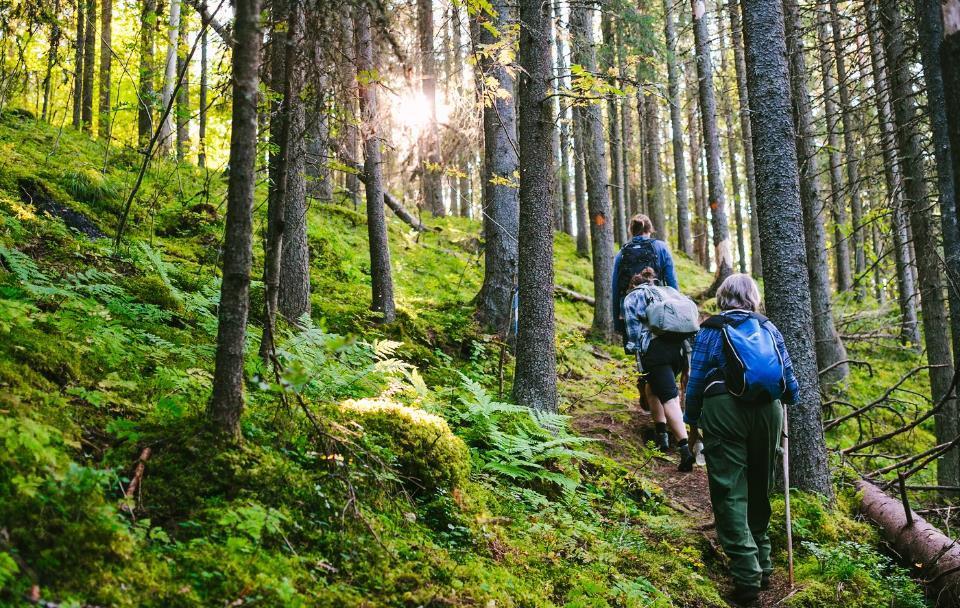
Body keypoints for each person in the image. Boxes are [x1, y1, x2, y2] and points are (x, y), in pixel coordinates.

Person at [683, 274, 800, 607]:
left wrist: (691, 420)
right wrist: (788, 397)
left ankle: (747, 576)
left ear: (724, 297)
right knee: (760, 485)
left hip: (723, 410)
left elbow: (696, 379)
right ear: (752, 298)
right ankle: (763, 564)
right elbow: (789, 379)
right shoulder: (768, 328)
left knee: (730, 489)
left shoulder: (711, 329)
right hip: (768, 411)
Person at [622, 268, 695, 472]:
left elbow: (633, 334)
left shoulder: (632, 297)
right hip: (679, 349)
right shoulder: (667, 291)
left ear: (632, 285)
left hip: (656, 352)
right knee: (653, 388)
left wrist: (633, 350)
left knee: (669, 398)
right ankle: (661, 436)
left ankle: (684, 449)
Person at [611, 214, 678, 340]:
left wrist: (617, 322)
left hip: (630, 311)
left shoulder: (621, 253)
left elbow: (615, 288)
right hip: (657, 309)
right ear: (650, 229)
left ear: (631, 231)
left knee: (637, 350)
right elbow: (671, 281)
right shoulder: (661, 247)